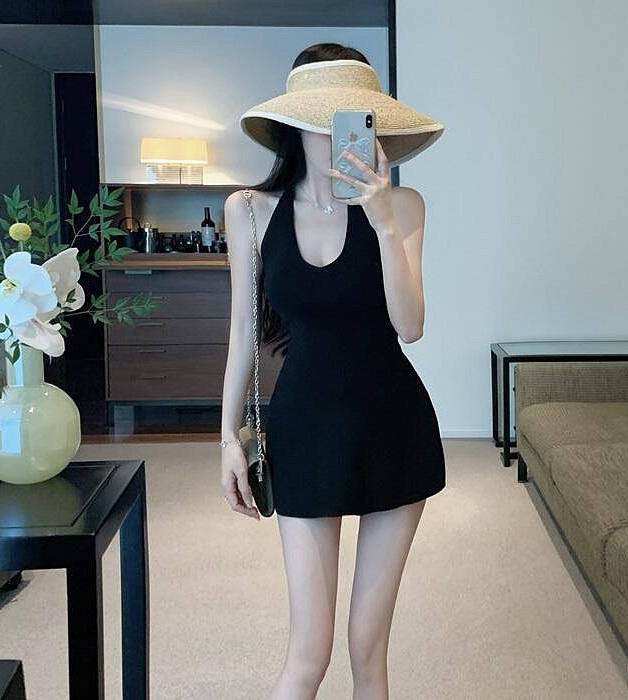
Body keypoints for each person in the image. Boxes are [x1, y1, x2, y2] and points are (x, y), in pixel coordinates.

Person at [220, 43, 446, 700]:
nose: (337, 139)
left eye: (350, 123)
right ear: (294, 127)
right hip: (304, 429)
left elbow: (410, 326)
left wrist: (381, 222)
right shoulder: (250, 211)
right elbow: (242, 331)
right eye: (321, 123)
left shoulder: (404, 207)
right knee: (309, 653)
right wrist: (227, 437)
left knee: (368, 650)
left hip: (392, 427)